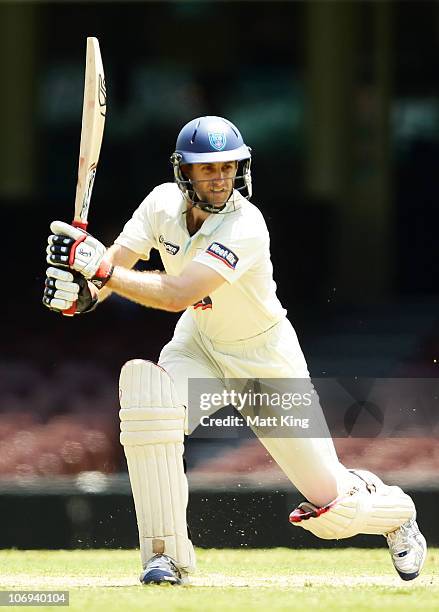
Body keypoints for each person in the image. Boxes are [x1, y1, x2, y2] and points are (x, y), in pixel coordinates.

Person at [44, 116, 427, 585]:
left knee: (332, 510)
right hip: (200, 342)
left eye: (228, 166)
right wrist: (83, 294)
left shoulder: (246, 225)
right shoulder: (160, 205)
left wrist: (99, 271)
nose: (221, 178)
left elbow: (176, 292)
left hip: (264, 360)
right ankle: (165, 559)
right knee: (150, 408)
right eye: (208, 169)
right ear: (183, 173)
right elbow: (116, 271)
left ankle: (394, 511)